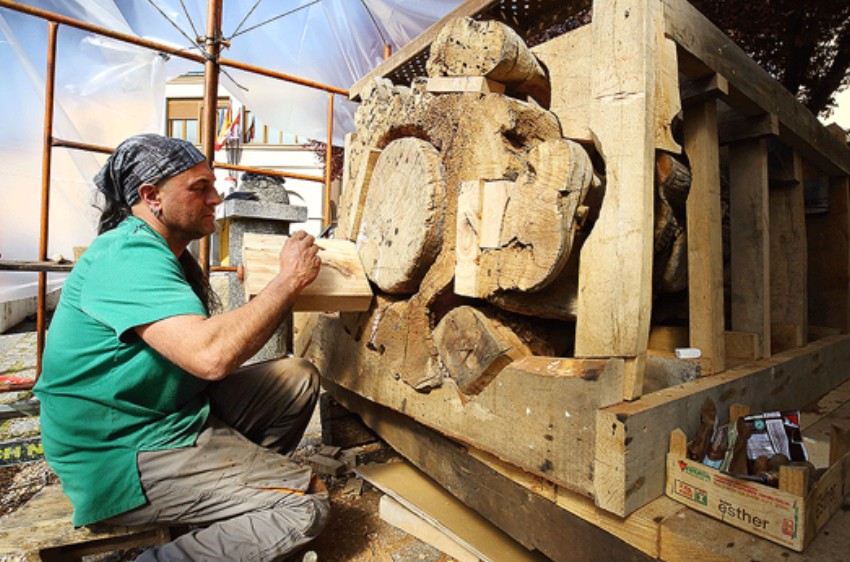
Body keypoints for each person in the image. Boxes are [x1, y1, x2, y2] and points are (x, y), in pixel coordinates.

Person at [33, 134, 329, 562]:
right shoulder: (127, 254)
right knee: (304, 504)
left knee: (295, 378)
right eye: (199, 188)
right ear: (151, 196)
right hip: (118, 450)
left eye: (212, 184)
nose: (215, 197)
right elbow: (211, 357)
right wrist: (287, 282)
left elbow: (196, 338)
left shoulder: (162, 251)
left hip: (165, 412)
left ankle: (225, 504)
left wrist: (261, 295)